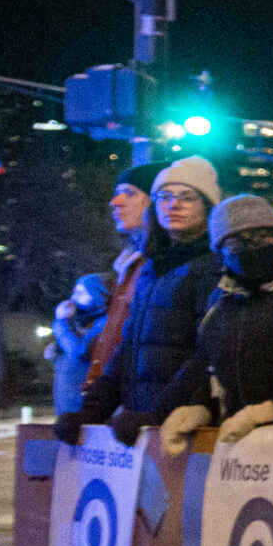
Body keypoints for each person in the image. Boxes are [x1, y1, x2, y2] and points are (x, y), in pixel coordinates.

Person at [59, 156, 227, 444]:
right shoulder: (152, 269)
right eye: (164, 196)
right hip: (139, 423)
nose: (173, 205)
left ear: (207, 207)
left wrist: (158, 416)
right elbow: (129, 348)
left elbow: (205, 356)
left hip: (184, 430)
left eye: (187, 198)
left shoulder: (212, 267)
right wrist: (92, 412)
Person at [147, 196, 273, 454]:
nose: (250, 247)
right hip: (234, 446)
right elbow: (205, 361)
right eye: (236, 243)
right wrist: (197, 407)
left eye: (259, 237)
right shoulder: (221, 298)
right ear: (221, 254)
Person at [79, 163, 163, 399]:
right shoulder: (129, 266)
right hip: (113, 397)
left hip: (133, 399)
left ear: (155, 201)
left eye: (129, 193)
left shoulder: (157, 267)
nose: (114, 202)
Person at [49, 274, 112, 417]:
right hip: (69, 407)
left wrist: (60, 322)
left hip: (82, 406)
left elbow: (79, 350)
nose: (73, 298)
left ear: (97, 294)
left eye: (81, 293)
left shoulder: (104, 322)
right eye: (74, 292)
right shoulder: (82, 322)